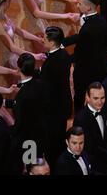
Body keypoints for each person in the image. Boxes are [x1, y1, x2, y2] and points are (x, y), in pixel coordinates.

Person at [63, 0, 107, 113]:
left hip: (88, 68)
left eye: (79, 4)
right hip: (98, 64)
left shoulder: (89, 28)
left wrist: (63, 58)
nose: (77, 6)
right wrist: (63, 42)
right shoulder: (99, 19)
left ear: (88, 7)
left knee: (80, 96)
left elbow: (81, 51)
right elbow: (81, 37)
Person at [0, 0, 45, 87]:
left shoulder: (4, 17)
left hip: (12, 57)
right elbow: (12, 47)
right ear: (4, 3)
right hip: (5, 61)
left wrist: (37, 39)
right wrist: (34, 55)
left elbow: (20, 32)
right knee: (13, 90)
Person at [5, 53, 49, 174]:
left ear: (18, 69)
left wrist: (9, 131)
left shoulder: (22, 95)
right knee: (37, 163)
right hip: (41, 132)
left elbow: (19, 123)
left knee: (31, 168)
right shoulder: (40, 83)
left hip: (28, 139)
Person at [40, 26, 73, 169]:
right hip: (64, 103)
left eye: (44, 39)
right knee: (59, 138)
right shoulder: (64, 54)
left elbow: (46, 88)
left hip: (53, 109)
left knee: (52, 143)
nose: (42, 40)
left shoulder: (50, 64)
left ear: (52, 43)